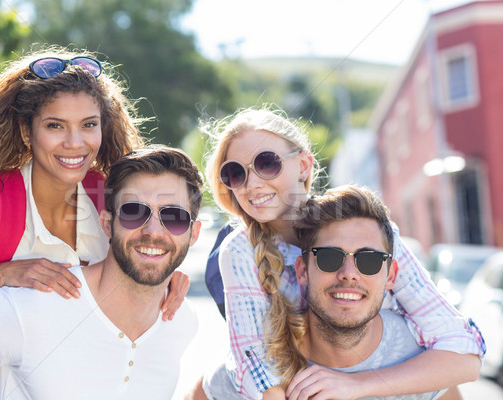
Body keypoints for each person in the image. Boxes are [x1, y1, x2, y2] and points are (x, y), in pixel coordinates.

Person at [0, 48, 189, 400]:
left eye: (89, 125)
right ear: (27, 132)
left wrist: (163, 277)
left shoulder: (108, 199)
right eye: (55, 126)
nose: (75, 142)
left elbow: (131, 265)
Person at [189, 107, 483, 400]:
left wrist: (356, 385)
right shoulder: (239, 252)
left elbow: (461, 346)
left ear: (304, 165)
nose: (251, 184)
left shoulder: (369, 231)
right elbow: (258, 371)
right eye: (234, 173)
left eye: (267, 163)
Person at [0, 146, 203, 400]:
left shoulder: (180, 322)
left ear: (193, 233)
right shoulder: (28, 307)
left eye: (173, 217)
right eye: (134, 212)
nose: (153, 232)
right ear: (107, 224)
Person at [263, 185, 462, 400]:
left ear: (391, 276)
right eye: (329, 257)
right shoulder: (263, 371)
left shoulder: (425, 359)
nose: (349, 274)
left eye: (369, 259)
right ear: (302, 270)